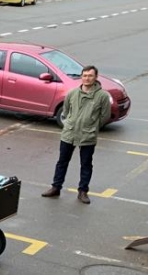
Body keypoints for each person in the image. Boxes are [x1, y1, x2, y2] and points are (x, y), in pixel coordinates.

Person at [41, 65, 111, 205]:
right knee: (62, 162)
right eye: (84, 75)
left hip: (88, 135)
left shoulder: (102, 96)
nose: (87, 78)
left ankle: (83, 191)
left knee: (86, 164)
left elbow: (105, 116)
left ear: (96, 77)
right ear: (81, 77)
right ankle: (56, 187)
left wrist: (92, 126)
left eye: (90, 76)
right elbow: (66, 111)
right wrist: (69, 124)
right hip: (69, 133)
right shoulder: (72, 93)